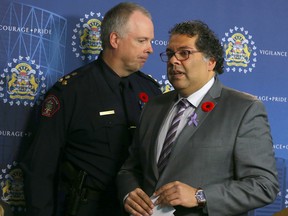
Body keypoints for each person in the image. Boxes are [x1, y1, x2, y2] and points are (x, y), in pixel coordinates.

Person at [117, 20, 279, 216]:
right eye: (170, 54)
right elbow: (130, 168)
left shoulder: (244, 109)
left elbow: (264, 185)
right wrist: (129, 193)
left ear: (211, 61)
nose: (173, 61)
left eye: (184, 53)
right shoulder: (153, 107)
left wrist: (200, 196)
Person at [21, 2, 162, 216]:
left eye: (150, 41)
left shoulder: (151, 90)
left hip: (141, 210)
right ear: (115, 39)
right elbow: (40, 169)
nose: (150, 49)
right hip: (89, 207)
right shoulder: (70, 92)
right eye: (142, 40)